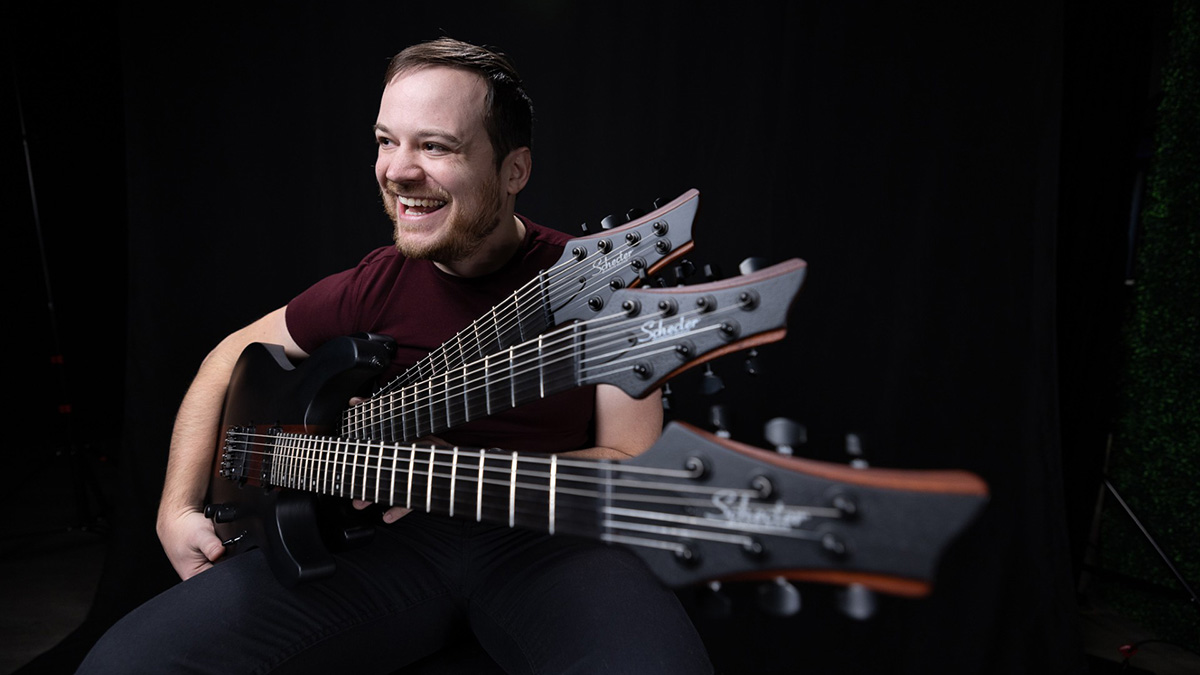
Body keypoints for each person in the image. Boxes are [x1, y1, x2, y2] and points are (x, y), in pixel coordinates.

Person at [76, 37, 712, 674]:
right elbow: (229, 354)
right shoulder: (375, 282)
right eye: (386, 141)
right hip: (389, 545)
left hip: (554, 540)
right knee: (125, 665)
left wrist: (451, 472)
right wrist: (176, 507)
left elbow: (631, 464)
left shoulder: (603, 283)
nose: (398, 171)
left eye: (435, 145)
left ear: (514, 170)